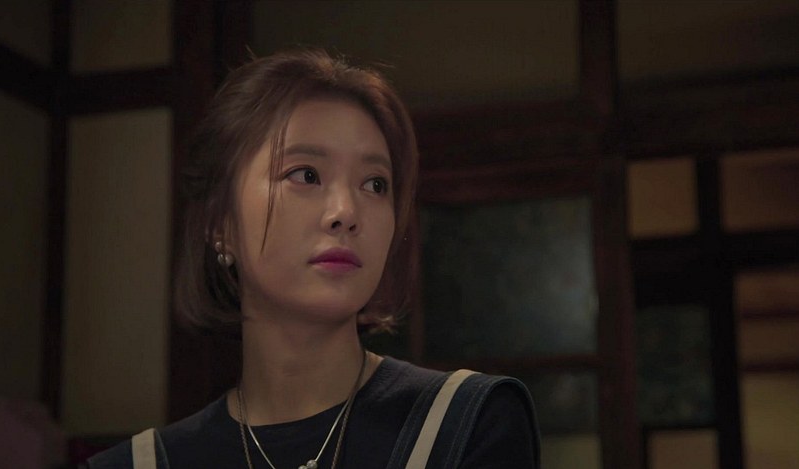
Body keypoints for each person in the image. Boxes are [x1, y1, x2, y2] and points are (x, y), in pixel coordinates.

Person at [85, 49, 539, 469]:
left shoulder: (463, 423)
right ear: (220, 222)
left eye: (375, 184)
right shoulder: (140, 464)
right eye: (305, 175)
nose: (346, 212)